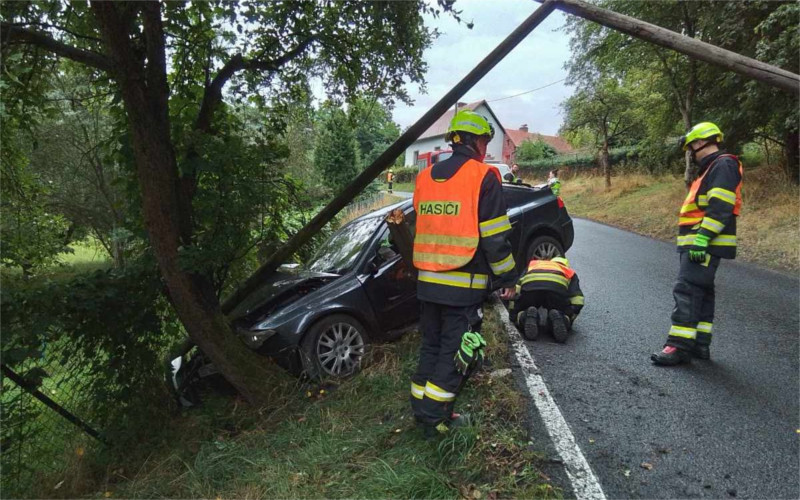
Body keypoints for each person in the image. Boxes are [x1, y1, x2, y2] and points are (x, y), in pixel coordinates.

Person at [410, 109, 518, 437]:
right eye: (485, 140)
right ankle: (434, 421)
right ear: (474, 142)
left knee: (431, 346)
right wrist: (508, 278)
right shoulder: (483, 176)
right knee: (455, 353)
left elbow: (421, 223)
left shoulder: (424, 178)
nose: (487, 147)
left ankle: (421, 410)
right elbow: (495, 236)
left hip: (427, 283)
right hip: (462, 285)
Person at [651, 122, 743, 366]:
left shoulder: (723, 164)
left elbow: (720, 205)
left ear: (700, 142)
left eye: (691, 146)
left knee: (687, 289)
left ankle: (678, 346)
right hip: (702, 242)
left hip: (703, 242)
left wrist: (702, 238)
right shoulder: (716, 166)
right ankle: (700, 344)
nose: (691, 152)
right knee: (702, 292)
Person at [509, 256, 584, 343]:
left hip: (531, 288)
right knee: (561, 312)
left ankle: (526, 316)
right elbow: (578, 299)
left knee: (523, 309)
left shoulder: (533, 265)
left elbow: (516, 288)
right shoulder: (568, 271)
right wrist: (570, 317)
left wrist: (513, 314)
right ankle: (559, 318)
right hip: (555, 290)